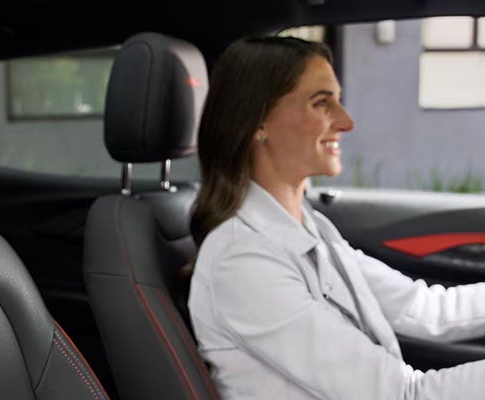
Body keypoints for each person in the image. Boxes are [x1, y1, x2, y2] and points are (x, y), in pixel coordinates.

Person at [187, 35, 485, 399]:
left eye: (337, 102)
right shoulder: (241, 261)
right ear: (258, 121)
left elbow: (423, 310)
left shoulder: (309, 228)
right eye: (322, 103)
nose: (345, 122)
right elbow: (402, 395)